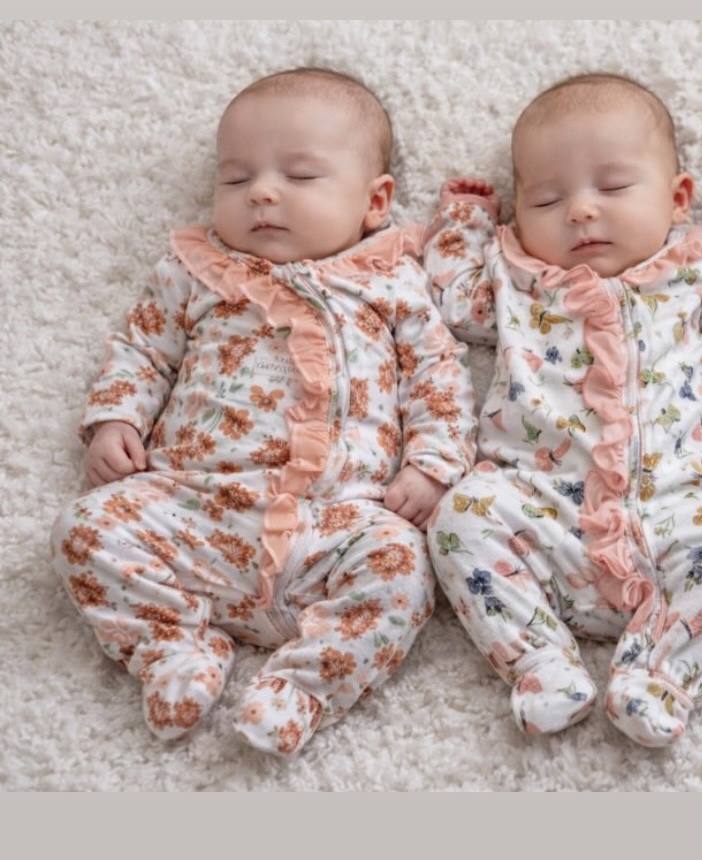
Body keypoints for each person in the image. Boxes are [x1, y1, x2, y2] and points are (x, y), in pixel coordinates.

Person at [49, 67, 478, 756]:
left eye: (299, 176)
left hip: (333, 522)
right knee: (84, 527)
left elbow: (437, 374)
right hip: (193, 508)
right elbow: (143, 348)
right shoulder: (196, 271)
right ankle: (171, 646)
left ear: (374, 201)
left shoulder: (392, 280)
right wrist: (116, 419)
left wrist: (431, 466)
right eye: (236, 178)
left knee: (403, 564)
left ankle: (303, 686)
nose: (263, 193)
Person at [421, 72, 702, 747]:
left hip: (673, 507)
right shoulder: (515, 277)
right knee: (461, 517)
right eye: (547, 199)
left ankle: (660, 678)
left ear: (677, 199)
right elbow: (453, 302)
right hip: (538, 503)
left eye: (612, 188)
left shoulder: (693, 271)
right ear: (517, 215)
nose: (580, 211)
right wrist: (462, 225)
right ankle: (540, 663)